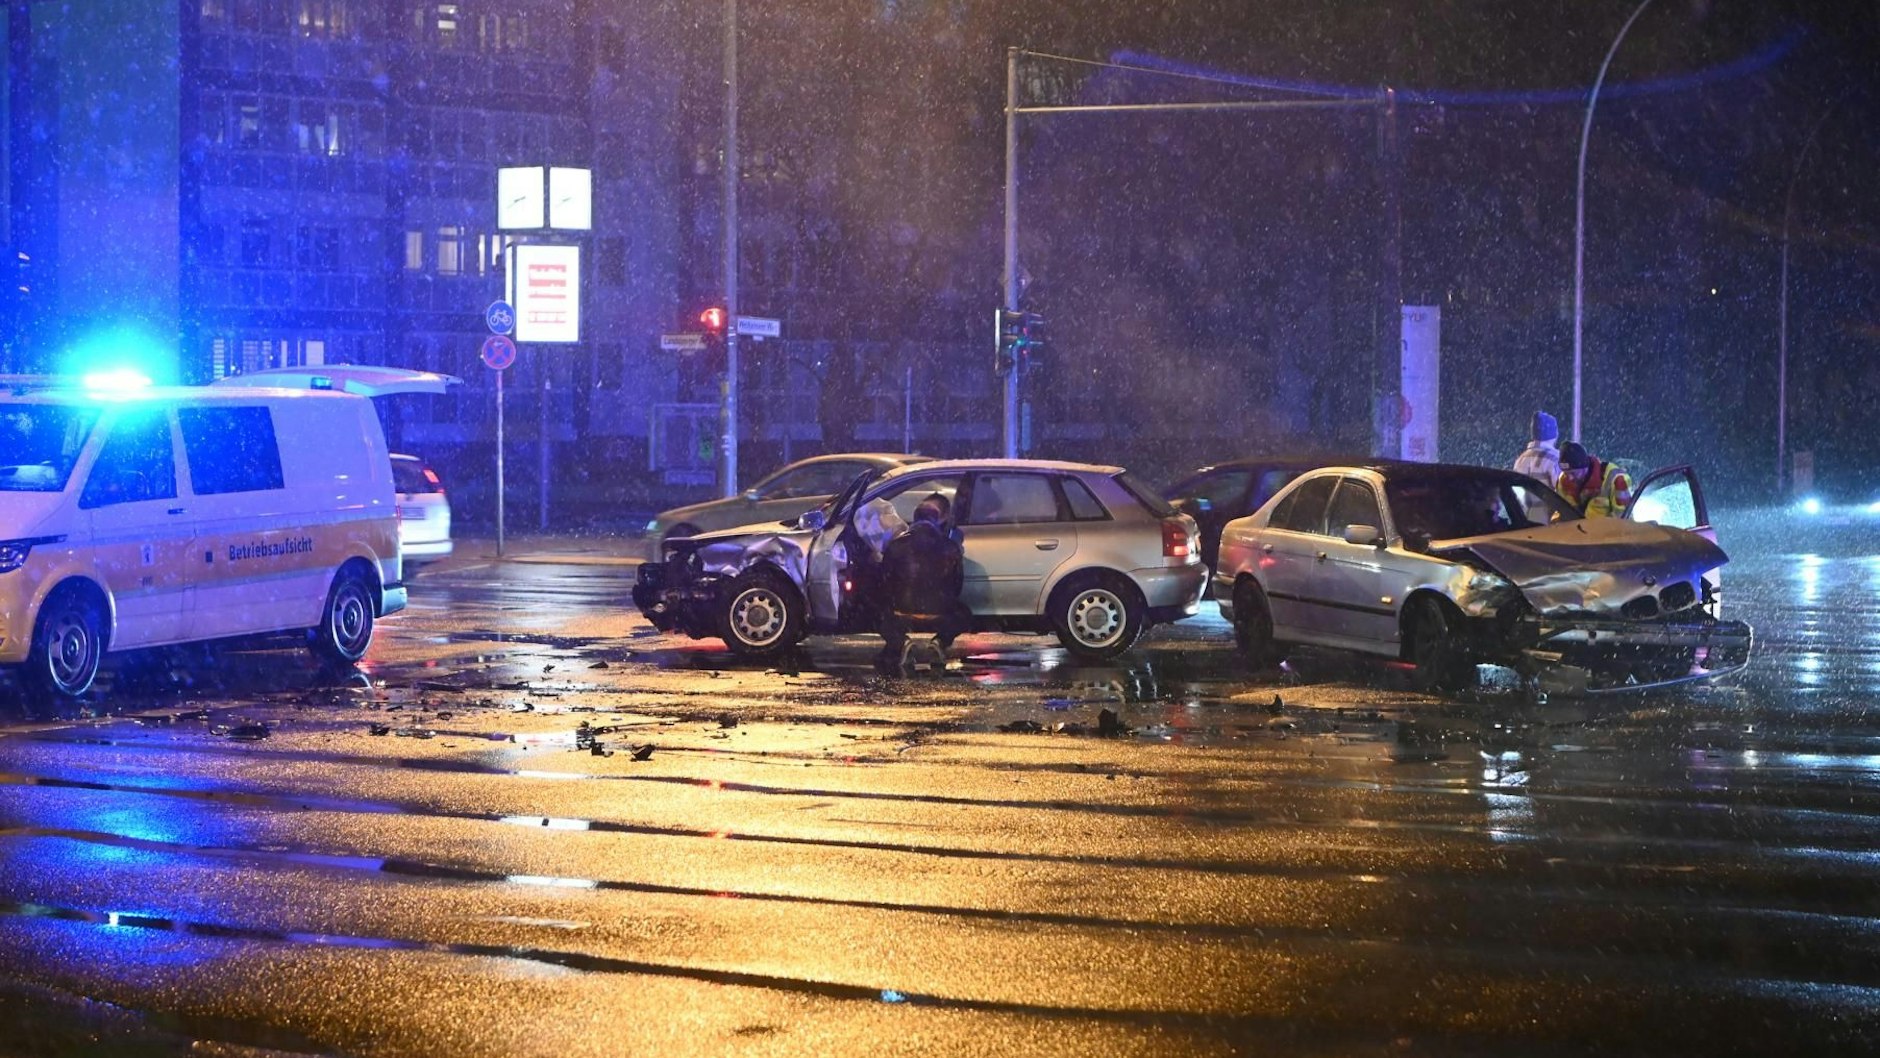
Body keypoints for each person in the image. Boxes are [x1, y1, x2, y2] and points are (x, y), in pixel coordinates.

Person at [875, 494, 969, 673]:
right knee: (964, 613)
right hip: (940, 615)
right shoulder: (950, 546)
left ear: (915, 518)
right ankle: (940, 642)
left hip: (901, 614)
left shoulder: (895, 546)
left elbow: (885, 582)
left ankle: (900, 642)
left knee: (874, 610)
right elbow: (957, 585)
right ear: (938, 520)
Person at [1556, 441, 1633, 518]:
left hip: (1612, 529)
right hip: (1576, 529)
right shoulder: (1563, 480)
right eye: (1566, 473)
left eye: (1573, 473)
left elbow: (1623, 517)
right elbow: (1559, 511)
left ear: (1584, 467)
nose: (1569, 478)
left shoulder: (1616, 479)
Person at [1513, 410, 1561, 487]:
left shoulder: (1520, 459)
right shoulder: (1555, 458)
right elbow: (1561, 490)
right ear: (1554, 434)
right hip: (1547, 499)